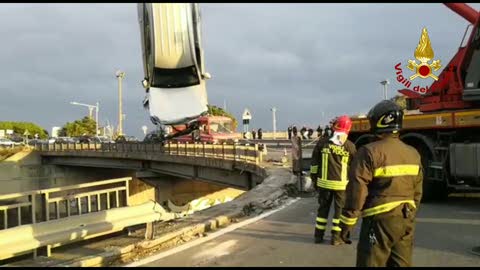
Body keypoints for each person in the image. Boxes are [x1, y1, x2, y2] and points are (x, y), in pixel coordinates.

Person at [339, 100, 423, 267]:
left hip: (379, 220)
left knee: (370, 262)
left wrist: (347, 223)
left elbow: (357, 190)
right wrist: (410, 214)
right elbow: (417, 191)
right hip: (406, 218)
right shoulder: (413, 153)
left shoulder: (369, 151)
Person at [310, 115, 357, 245]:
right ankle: (336, 238)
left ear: (335, 127)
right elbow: (355, 168)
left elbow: (314, 165)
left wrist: (314, 180)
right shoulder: (350, 146)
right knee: (339, 212)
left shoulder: (322, 143)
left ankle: (318, 237)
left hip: (324, 184)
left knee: (323, 210)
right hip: (341, 186)